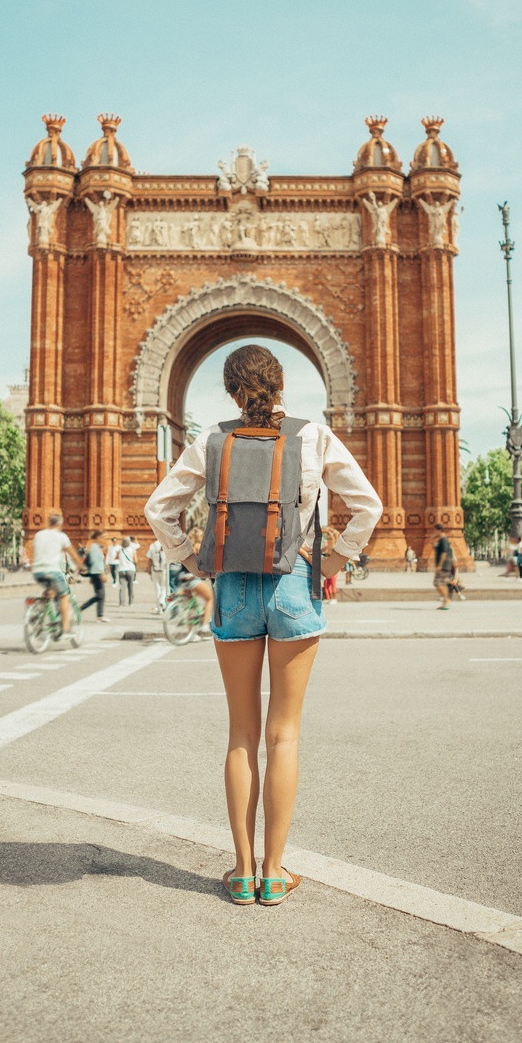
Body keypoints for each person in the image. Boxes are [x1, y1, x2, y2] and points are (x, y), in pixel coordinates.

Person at [145, 343, 382, 907]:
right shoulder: (314, 436)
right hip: (295, 585)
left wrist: (189, 558)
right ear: (281, 388)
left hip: (231, 587)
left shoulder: (211, 438)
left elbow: (159, 509)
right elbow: (368, 505)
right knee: (284, 735)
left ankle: (242, 870)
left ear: (231, 392)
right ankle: (275, 874)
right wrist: (332, 559)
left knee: (242, 736)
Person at [32, 513, 83, 635]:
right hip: (53, 571)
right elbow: (72, 553)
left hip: (37, 571)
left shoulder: (38, 535)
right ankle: (66, 627)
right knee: (64, 596)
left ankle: (38, 613)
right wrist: (80, 566)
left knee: (50, 591)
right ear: (60, 524)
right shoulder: (61, 536)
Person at [80, 530, 108, 623]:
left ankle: (99, 615)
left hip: (95, 573)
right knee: (100, 595)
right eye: (104, 537)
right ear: (98, 537)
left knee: (101, 595)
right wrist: (102, 574)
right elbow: (96, 563)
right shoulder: (95, 547)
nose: (105, 539)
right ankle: (81, 608)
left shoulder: (96, 547)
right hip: (97, 573)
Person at [433, 523, 453, 609]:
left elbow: (444, 553)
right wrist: (432, 539)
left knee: (437, 582)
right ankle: (445, 601)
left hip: (444, 565)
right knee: (442, 583)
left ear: (439, 530)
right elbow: (435, 549)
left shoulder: (444, 539)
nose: (434, 532)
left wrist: (440, 565)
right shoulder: (440, 540)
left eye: (435, 530)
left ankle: (446, 600)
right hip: (443, 565)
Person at [146, 537, 168, 613]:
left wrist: (149, 569)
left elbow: (149, 559)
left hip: (155, 569)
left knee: (157, 588)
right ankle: (162, 602)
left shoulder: (153, 545)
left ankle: (159, 608)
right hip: (164, 569)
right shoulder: (166, 544)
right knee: (164, 587)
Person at [117, 536, 137, 605]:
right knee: (130, 587)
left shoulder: (120, 550)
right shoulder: (132, 550)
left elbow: (116, 557)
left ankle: (121, 603)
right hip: (130, 569)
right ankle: (130, 602)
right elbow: (135, 560)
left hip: (121, 569)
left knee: (122, 587)